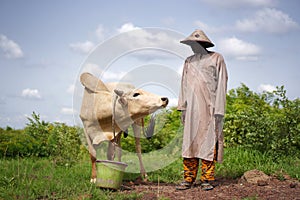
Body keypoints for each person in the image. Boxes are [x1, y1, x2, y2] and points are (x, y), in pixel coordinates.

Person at [176, 30, 228, 191]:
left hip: (210, 109)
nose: (193, 47)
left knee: (208, 141)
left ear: (204, 44)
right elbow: (184, 85)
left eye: (195, 44)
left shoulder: (216, 58)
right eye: (191, 44)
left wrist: (219, 109)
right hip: (191, 109)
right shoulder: (188, 61)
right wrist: (183, 107)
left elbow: (222, 83)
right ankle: (188, 179)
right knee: (189, 142)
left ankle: (206, 179)